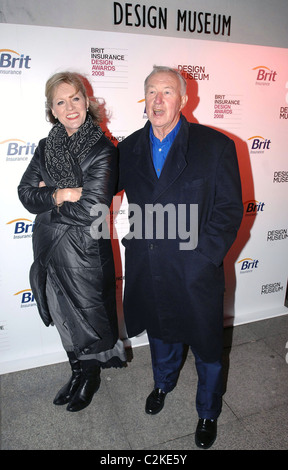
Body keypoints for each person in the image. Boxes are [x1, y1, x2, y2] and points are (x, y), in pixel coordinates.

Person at [118, 66, 243, 448]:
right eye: (151, 92)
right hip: (150, 265)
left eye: (167, 92)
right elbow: (96, 186)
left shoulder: (215, 145)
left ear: (185, 100)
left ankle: (207, 410)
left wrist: (204, 256)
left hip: (195, 269)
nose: (158, 100)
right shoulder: (126, 149)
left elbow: (228, 209)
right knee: (161, 333)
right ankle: (164, 384)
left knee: (207, 344)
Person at [18, 71, 126, 413]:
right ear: (52, 109)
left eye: (75, 98)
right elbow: (24, 194)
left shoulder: (102, 150)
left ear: (86, 101)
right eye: (60, 101)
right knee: (62, 315)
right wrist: (62, 193)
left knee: (86, 318)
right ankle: (77, 371)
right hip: (49, 250)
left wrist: (47, 203)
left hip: (83, 252)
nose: (69, 107)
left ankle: (90, 377)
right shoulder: (45, 147)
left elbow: (92, 210)